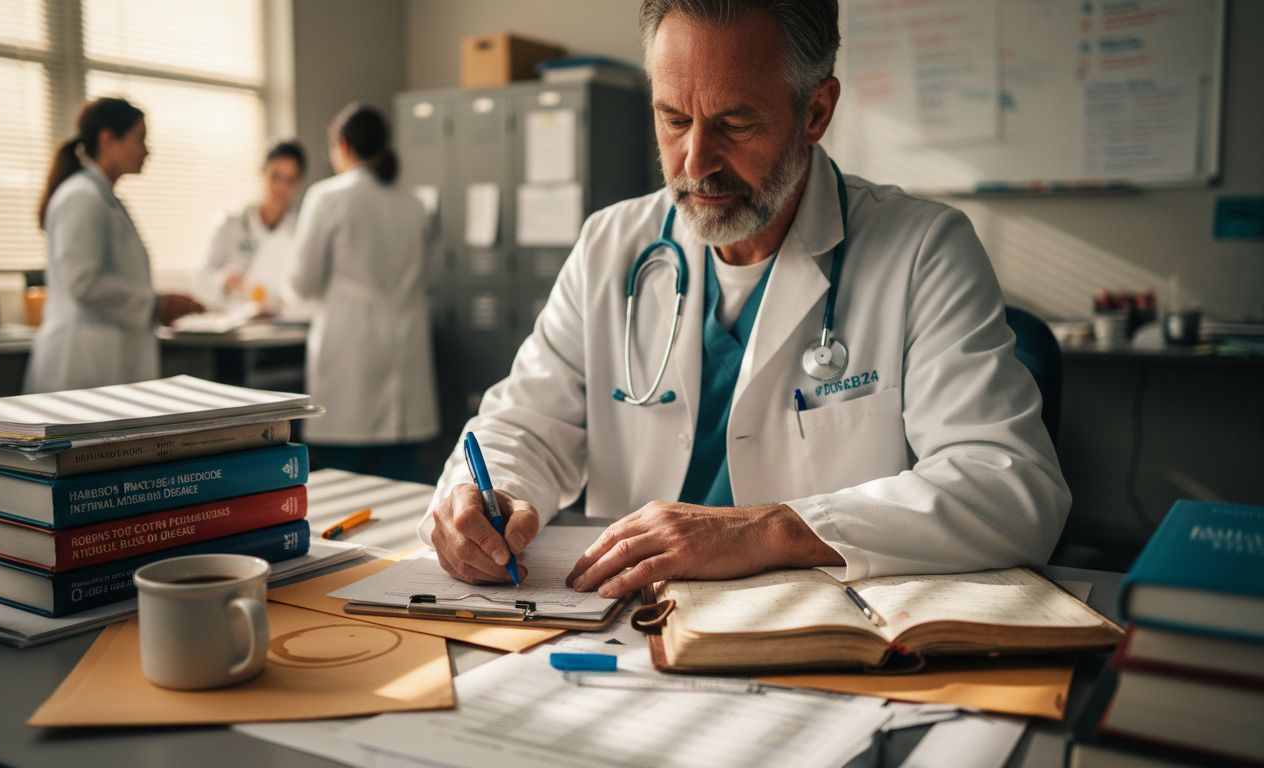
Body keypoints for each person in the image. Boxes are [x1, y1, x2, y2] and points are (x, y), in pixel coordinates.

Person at [420, 0, 1070, 597]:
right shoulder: (611, 245)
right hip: (620, 625)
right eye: (673, 119)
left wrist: (767, 530)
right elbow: (523, 425)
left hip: (816, 628)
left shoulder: (922, 249)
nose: (696, 160)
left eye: (734, 123)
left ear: (816, 111)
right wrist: (485, 497)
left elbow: (1010, 486)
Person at [290, 103, 439, 481]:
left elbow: (301, 282)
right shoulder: (413, 202)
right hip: (404, 360)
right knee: (403, 487)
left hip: (351, 356)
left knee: (345, 484)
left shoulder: (328, 197)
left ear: (342, 145)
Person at [26, 97, 203, 394]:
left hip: (105, 362)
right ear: (107, 139)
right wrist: (156, 304)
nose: (147, 150)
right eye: (139, 139)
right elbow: (83, 283)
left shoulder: (103, 200)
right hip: (81, 364)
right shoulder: (82, 198)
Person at [195, 141, 309, 316]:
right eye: (275, 176)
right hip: (237, 327)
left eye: (290, 180)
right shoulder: (230, 224)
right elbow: (201, 281)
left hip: (282, 326)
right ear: (262, 172)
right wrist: (224, 282)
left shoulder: (303, 230)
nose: (281, 187)